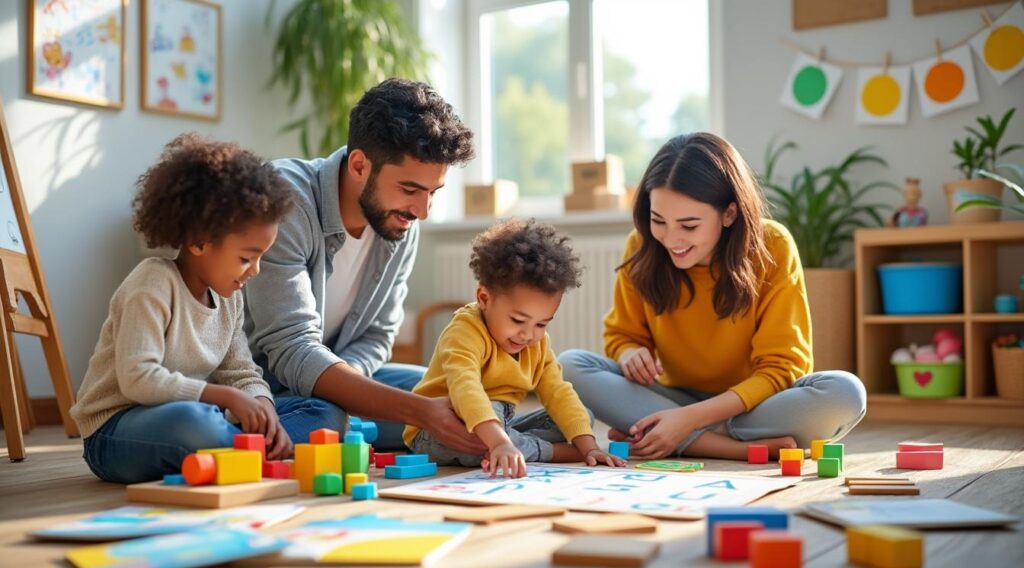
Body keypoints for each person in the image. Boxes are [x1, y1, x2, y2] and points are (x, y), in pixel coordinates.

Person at [559, 132, 866, 461]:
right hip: (670, 397)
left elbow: (781, 369)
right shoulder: (643, 245)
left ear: (729, 214)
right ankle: (728, 446)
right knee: (569, 366)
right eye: (658, 220)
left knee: (845, 393)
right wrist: (630, 352)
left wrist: (689, 419)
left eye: (689, 226)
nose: (671, 239)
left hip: (751, 405)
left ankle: (674, 433)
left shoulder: (773, 246)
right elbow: (622, 335)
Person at [72, 134, 344, 484]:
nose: (256, 270)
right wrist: (226, 397)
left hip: (198, 417)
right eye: (247, 258)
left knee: (326, 411)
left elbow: (241, 372)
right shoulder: (152, 282)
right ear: (200, 240)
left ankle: (247, 450)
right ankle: (260, 451)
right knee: (194, 424)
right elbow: (138, 379)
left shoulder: (229, 296)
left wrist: (263, 406)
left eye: (261, 257)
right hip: (117, 430)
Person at [243, 78, 483, 453]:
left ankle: (340, 426)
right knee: (327, 419)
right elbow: (291, 349)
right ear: (359, 165)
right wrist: (416, 413)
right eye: (409, 189)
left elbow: (377, 335)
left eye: (433, 192)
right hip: (262, 385)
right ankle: (237, 434)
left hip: (332, 382)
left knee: (459, 394)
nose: (422, 211)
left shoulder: (402, 223)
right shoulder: (283, 200)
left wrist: (350, 387)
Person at [404, 219, 625, 478]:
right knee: (491, 422)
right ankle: (546, 451)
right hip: (441, 429)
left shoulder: (537, 343)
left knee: (581, 417)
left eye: (542, 323)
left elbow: (558, 392)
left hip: (500, 423)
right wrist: (499, 442)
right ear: (484, 299)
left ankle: (513, 444)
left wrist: (589, 447)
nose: (529, 334)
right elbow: (466, 389)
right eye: (518, 320)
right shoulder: (464, 329)